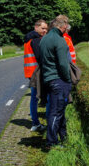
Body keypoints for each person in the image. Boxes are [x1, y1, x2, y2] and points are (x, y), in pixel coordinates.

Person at [39, 15, 72, 149]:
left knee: (57, 111)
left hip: (48, 78)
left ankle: (63, 137)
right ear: (63, 26)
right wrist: (68, 80)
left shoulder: (44, 39)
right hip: (58, 79)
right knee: (56, 112)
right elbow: (64, 65)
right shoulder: (59, 40)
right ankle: (51, 142)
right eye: (67, 25)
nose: (67, 28)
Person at [23, 19, 48, 131]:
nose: (45, 30)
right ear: (36, 27)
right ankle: (40, 123)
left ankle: (35, 123)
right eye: (43, 28)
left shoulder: (28, 38)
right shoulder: (36, 40)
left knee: (34, 98)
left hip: (30, 72)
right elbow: (40, 57)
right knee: (44, 97)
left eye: (46, 28)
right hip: (37, 73)